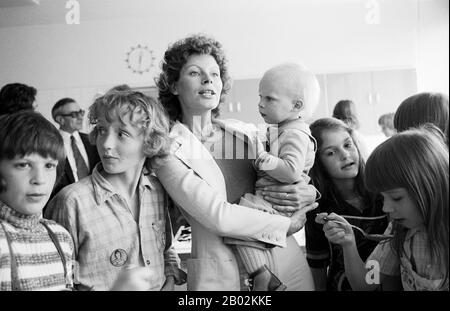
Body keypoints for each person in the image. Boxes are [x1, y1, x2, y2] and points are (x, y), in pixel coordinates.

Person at [154, 34, 318, 291]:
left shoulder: (247, 132)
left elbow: (297, 165)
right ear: (173, 85)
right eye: (195, 73)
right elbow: (218, 217)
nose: (208, 79)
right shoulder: (167, 151)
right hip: (224, 274)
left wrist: (307, 192)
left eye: (215, 73)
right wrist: (289, 224)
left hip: (286, 260)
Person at [45, 89, 185, 290]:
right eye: (102, 130)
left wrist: (170, 280)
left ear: (150, 142)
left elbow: (166, 249)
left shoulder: (158, 192)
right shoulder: (71, 202)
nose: (106, 144)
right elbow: (58, 282)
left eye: (122, 134)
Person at [222, 63, 319, 291]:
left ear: (296, 105)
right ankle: (262, 276)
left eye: (269, 99)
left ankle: (261, 276)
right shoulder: (280, 129)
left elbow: (291, 171)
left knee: (241, 223)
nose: (260, 104)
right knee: (243, 225)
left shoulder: (294, 132)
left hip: (278, 204)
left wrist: (264, 158)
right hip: (272, 202)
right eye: (260, 97)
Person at [316, 126, 449, 290]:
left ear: (430, 186)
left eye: (396, 197)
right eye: (383, 197)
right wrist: (348, 243)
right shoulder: (396, 231)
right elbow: (367, 282)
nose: (385, 208)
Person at [305, 117, 388, 291]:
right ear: (318, 162)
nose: (345, 155)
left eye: (348, 145)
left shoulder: (383, 194)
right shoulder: (317, 209)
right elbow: (317, 264)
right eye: (331, 152)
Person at [50, 98, 100, 201]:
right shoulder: (50, 144)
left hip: (94, 200)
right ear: (60, 120)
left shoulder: (92, 140)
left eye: (81, 112)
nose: (80, 117)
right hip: (64, 201)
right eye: (74, 114)